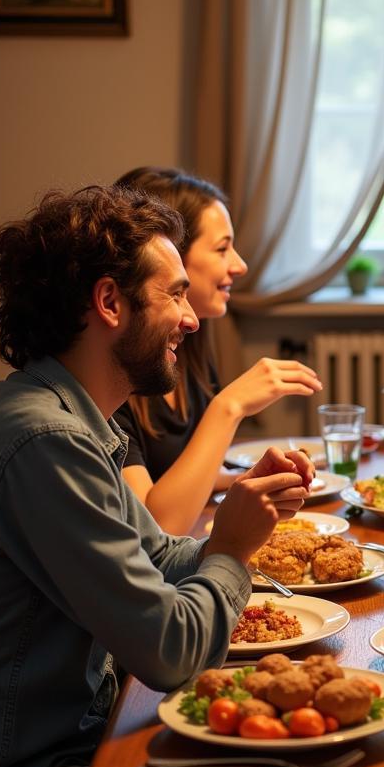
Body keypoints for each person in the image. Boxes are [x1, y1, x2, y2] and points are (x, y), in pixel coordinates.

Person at [0, 186, 313, 767]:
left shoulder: (73, 415)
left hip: (77, 744)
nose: (191, 319)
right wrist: (229, 548)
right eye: (173, 295)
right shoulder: (43, 440)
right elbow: (172, 652)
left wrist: (244, 524)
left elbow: (159, 555)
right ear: (111, 304)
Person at [112, 167, 323, 536]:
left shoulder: (187, 349)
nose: (239, 265)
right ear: (169, 255)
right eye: (222, 248)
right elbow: (154, 530)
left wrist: (252, 480)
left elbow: (179, 479)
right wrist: (228, 407)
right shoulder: (109, 381)